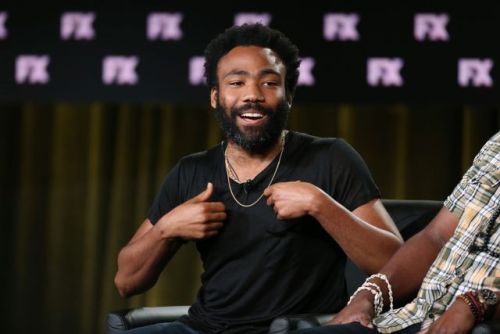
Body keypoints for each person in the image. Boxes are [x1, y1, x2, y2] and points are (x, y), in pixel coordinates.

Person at [113, 23, 403, 334]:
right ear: (215, 96)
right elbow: (127, 281)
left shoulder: (330, 158)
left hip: (292, 329)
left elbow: (395, 263)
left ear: (288, 95)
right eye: (236, 82)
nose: (252, 95)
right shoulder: (192, 171)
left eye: (268, 83)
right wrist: (166, 230)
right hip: (204, 328)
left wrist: (321, 204)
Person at [291, 131, 500, 334]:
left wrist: (477, 303)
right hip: (405, 319)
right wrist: (367, 296)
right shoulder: (495, 147)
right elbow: (436, 237)